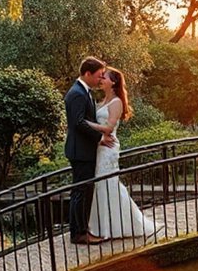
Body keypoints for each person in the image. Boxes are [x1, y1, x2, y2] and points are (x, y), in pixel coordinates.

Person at [85, 67, 161, 240]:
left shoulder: (117, 102)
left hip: (108, 149)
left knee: (107, 183)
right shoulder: (102, 100)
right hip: (100, 146)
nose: (101, 79)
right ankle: (102, 226)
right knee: (101, 184)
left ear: (113, 82)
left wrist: (86, 124)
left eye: (104, 77)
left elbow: (109, 128)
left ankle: (118, 226)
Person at [64, 56, 111, 245]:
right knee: (81, 192)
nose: (100, 79)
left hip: (84, 150)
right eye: (99, 76)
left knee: (83, 191)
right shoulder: (77, 93)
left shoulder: (84, 92)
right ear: (87, 73)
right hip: (80, 151)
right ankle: (79, 233)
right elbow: (78, 123)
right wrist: (100, 137)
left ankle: (81, 230)